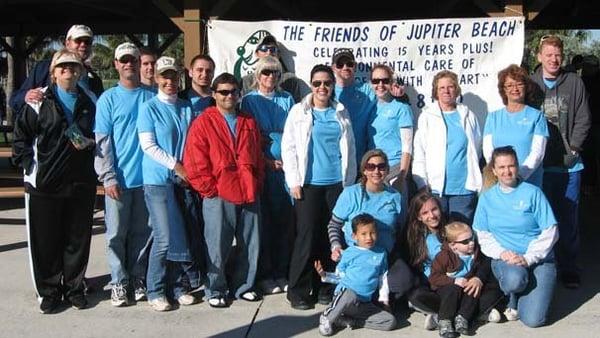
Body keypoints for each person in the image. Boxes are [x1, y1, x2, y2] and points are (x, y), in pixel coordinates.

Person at [13, 49, 97, 313]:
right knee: (46, 242)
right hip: (45, 184)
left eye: (73, 67)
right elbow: (20, 138)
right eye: (63, 68)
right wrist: (30, 166)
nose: (68, 72)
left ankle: (74, 288)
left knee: (77, 240)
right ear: (53, 73)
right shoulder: (38, 101)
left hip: (81, 182)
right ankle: (48, 292)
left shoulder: (90, 101)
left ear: (80, 71)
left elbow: (100, 135)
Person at [183, 72, 264, 308]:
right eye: (224, 92)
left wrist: (257, 182)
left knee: (251, 243)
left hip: (248, 190)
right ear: (214, 94)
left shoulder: (248, 121)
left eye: (233, 91)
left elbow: (257, 156)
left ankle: (244, 285)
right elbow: (195, 160)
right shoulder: (203, 123)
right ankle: (215, 289)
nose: (229, 96)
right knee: (217, 245)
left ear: (240, 94)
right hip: (219, 193)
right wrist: (209, 189)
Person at [281, 64, 356, 310]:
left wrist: (350, 184)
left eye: (327, 83)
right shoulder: (298, 111)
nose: (322, 88)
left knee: (331, 236)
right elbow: (289, 147)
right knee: (306, 237)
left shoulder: (341, 112)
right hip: (308, 185)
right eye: (317, 83)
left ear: (333, 86)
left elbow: (350, 150)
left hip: (336, 184)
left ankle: (326, 285)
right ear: (311, 85)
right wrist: (293, 181)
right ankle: (298, 290)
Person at [94, 42, 155, 307]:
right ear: (116, 64)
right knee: (116, 235)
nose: (129, 63)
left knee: (143, 233)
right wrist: (108, 177)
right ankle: (119, 282)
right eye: (124, 60)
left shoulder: (151, 96)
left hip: (147, 180)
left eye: (133, 59)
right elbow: (102, 141)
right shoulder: (107, 99)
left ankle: (137, 277)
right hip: (119, 180)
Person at [473, 146, 558, 328]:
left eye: (511, 166)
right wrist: (503, 253)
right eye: (502, 167)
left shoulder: (533, 193)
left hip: (538, 259)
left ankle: (527, 292)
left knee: (534, 320)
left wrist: (528, 258)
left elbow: (551, 230)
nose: (507, 171)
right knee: (514, 280)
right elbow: (482, 233)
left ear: (517, 167)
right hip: (507, 259)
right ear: (494, 171)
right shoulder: (487, 198)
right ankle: (511, 295)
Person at [530, 35, 591, 289]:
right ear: (539, 57)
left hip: (569, 167)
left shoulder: (574, 82)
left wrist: (574, 149)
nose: (554, 59)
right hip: (540, 166)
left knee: (568, 220)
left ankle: (569, 269)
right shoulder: (530, 84)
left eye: (558, 55)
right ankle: (544, 268)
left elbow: (584, 118)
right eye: (549, 54)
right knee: (541, 221)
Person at [137, 56, 197, 311]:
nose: (169, 81)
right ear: (157, 79)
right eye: (164, 76)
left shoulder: (185, 107)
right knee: (163, 238)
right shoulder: (148, 108)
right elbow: (148, 145)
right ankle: (155, 289)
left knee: (180, 235)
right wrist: (177, 166)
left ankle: (178, 286)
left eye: (173, 76)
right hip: (157, 182)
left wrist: (188, 171)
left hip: (181, 182)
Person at [241, 56, 295, 295]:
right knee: (265, 224)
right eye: (265, 73)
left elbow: (295, 130)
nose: (270, 77)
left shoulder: (287, 99)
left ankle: (282, 271)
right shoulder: (249, 101)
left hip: (287, 169)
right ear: (257, 75)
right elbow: (248, 139)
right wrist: (266, 161)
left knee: (286, 223)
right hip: (264, 169)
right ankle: (265, 274)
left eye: (274, 72)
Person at [413, 70, 482, 224]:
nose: (446, 91)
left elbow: (476, 147)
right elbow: (420, 152)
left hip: (464, 189)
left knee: (460, 232)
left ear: (456, 89)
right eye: (442, 88)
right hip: (435, 189)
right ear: (435, 91)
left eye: (450, 87)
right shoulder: (427, 116)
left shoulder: (468, 115)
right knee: (438, 233)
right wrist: (422, 184)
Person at [315, 214, 396, 336]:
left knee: (390, 321)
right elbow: (340, 276)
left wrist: (384, 301)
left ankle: (350, 321)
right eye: (363, 234)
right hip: (346, 299)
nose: (369, 237)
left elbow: (382, 279)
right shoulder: (349, 253)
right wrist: (325, 275)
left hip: (364, 304)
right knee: (350, 294)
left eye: (372, 233)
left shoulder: (381, 253)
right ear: (354, 236)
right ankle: (327, 317)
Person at [429, 222, 503, 338]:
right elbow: (434, 278)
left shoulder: (477, 253)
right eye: (465, 242)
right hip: (447, 289)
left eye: (472, 238)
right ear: (453, 245)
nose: (471, 243)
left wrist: (477, 278)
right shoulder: (444, 257)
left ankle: (463, 317)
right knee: (453, 290)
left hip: (466, 286)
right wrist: (453, 281)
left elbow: (485, 265)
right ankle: (445, 320)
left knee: (474, 290)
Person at [10, 24, 103, 114]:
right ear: (67, 43)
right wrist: (25, 96)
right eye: (78, 40)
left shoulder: (95, 81)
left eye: (87, 42)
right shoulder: (43, 69)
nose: (83, 45)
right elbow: (14, 101)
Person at [483, 64, 548, 187]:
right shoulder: (493, 117)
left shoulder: (537, 116)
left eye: (519, 84)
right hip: (499, 183)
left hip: (528, 182)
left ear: (526, 87)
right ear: (504, 90)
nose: (515, 89)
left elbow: (538, 153)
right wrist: (500, 173)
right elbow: (488, 151)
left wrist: (518, 177)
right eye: (509, 85)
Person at [328, 149, 402, 256]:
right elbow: (334, 225)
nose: (376, 171)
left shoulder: (396, 197)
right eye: (371, 167)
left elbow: (400, 229)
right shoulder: (351, 194)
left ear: (387, 170)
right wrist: (336, 246)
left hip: (386, 257)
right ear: (364, 171)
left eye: (381, 167)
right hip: (355, 257)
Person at [368, 64, 414, 197]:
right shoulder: (370, 107)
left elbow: (407, 146)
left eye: (385, 81)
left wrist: (402, 175)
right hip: (373, 170)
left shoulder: (402, 108)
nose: (380, 85)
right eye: (376, 81)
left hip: (394, 168)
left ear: (391, 82)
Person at [331, 48, 376, 164]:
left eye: (349, 64)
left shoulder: (368, 90)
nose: (345, 67)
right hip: (335, 162)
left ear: (355, 66)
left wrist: (400, 96)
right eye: (340, 64)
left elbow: (386, 93)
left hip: (362, 162)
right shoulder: (327, 92)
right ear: (333, 68)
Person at [241, 33, 309, 103]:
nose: (269, 52)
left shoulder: (290, 79)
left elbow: (296, 107)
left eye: (273, 49)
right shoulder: (246, 81)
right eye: (264, 48)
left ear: (278, 54)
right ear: (256, 54)